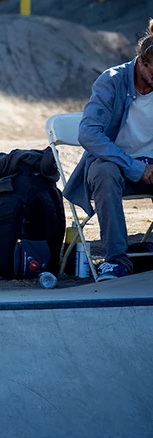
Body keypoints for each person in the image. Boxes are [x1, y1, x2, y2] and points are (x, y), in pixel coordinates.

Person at [65, 19, 153, 282]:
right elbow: (88, 134)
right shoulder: (112, 81)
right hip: (116, 167)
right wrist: (136, 167)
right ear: (142, 63)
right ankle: (115, 260)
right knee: (104, 170)